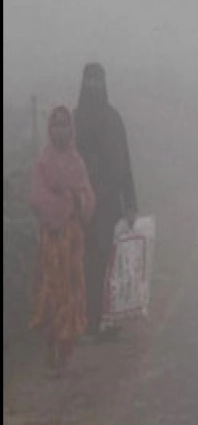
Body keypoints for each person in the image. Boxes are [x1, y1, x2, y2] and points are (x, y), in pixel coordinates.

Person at [29, 105, 96, 371]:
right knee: (50, 290)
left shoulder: (77, 162)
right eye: (55, 125)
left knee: (71, 291)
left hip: (72, 240)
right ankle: (50, 343)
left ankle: (64, 350)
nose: (60, 130)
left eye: (65, 125)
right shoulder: (43, 163)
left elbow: (88, 198)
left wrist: (73, 199)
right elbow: (36, 199)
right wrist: (62, 204)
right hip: (51, 240)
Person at [74, 63, 138, 338]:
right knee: (88, 263)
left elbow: (124, 163)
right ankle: (89, 322)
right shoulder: (75, 120)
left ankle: (105, 320)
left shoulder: (114, 119)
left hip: (110, 203)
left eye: (97, 80)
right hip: (82, 204)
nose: (93, 86)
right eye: (89, 80)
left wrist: (131, 202)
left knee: (109, 262)